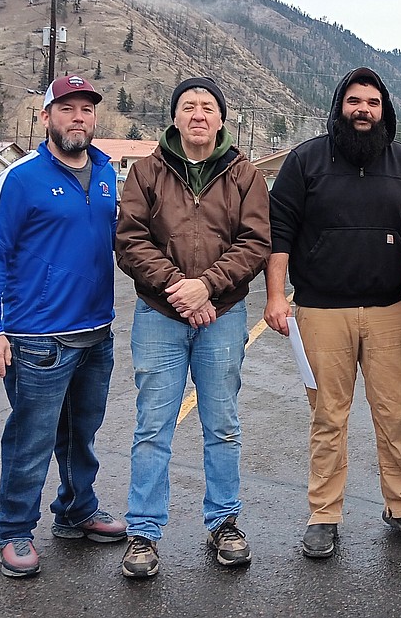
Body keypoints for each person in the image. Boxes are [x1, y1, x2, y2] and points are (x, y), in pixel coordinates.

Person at [264, 66, 401, 559]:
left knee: (397, 414)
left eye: (373, 102)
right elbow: (280, 233)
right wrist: (277, 296)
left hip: (390, 312)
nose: (364, 110)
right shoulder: (305, 162)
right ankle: (324, 514)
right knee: (327, 417)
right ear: (340, 105)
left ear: (385, 111)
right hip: (320, 311)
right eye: (355, 101)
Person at [115, 77, 270, 577]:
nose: (198, 115)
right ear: (175, 117)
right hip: (159, 315)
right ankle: (143, 533)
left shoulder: (245, 175)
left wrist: (208, 286)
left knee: (221, 426)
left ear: (221, 119)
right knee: (152, 426)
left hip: (222, 317)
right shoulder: (146, 172)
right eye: (188, 107)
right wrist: (180, 288)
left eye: (207, 107)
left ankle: (224, 522)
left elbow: (255, 243)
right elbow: (130, 240)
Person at [0, 74, 125, 578]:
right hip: (38, 338)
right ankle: (14, 530)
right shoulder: (21, 177)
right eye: (66, 108)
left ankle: (76, 511)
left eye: (86, 108)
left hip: (95, 334)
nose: (78, 117)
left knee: (82, 436)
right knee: (31, 440)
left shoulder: (107, 174)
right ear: (46, 118)